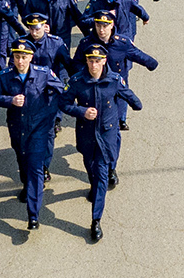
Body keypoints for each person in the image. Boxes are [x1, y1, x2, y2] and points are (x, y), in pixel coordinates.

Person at [60, 42, 143, 242]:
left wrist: (132, 103)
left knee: (101, 177)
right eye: (90, 60)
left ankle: (95, 220)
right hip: (86, 135)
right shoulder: (78, 81)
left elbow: (134, 101)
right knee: (90, 168)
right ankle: (94, 184)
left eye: (97, 61)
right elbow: (63, 103)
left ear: (104, 61)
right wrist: (81, 112)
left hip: (106, 137)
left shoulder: (114, 80)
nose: (94, 65)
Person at [0, 40, 65, 231]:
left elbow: (62, 91)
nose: (20, 61)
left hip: (39, 129)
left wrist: (52, 114)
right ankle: (27, 186)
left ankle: (33, 215)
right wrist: (10, 100)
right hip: (17, 127)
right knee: (22, 161)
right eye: (17, 57)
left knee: (34, 169)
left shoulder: (43, 73)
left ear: (31, 57)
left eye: (24, 57)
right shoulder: (5, 75)